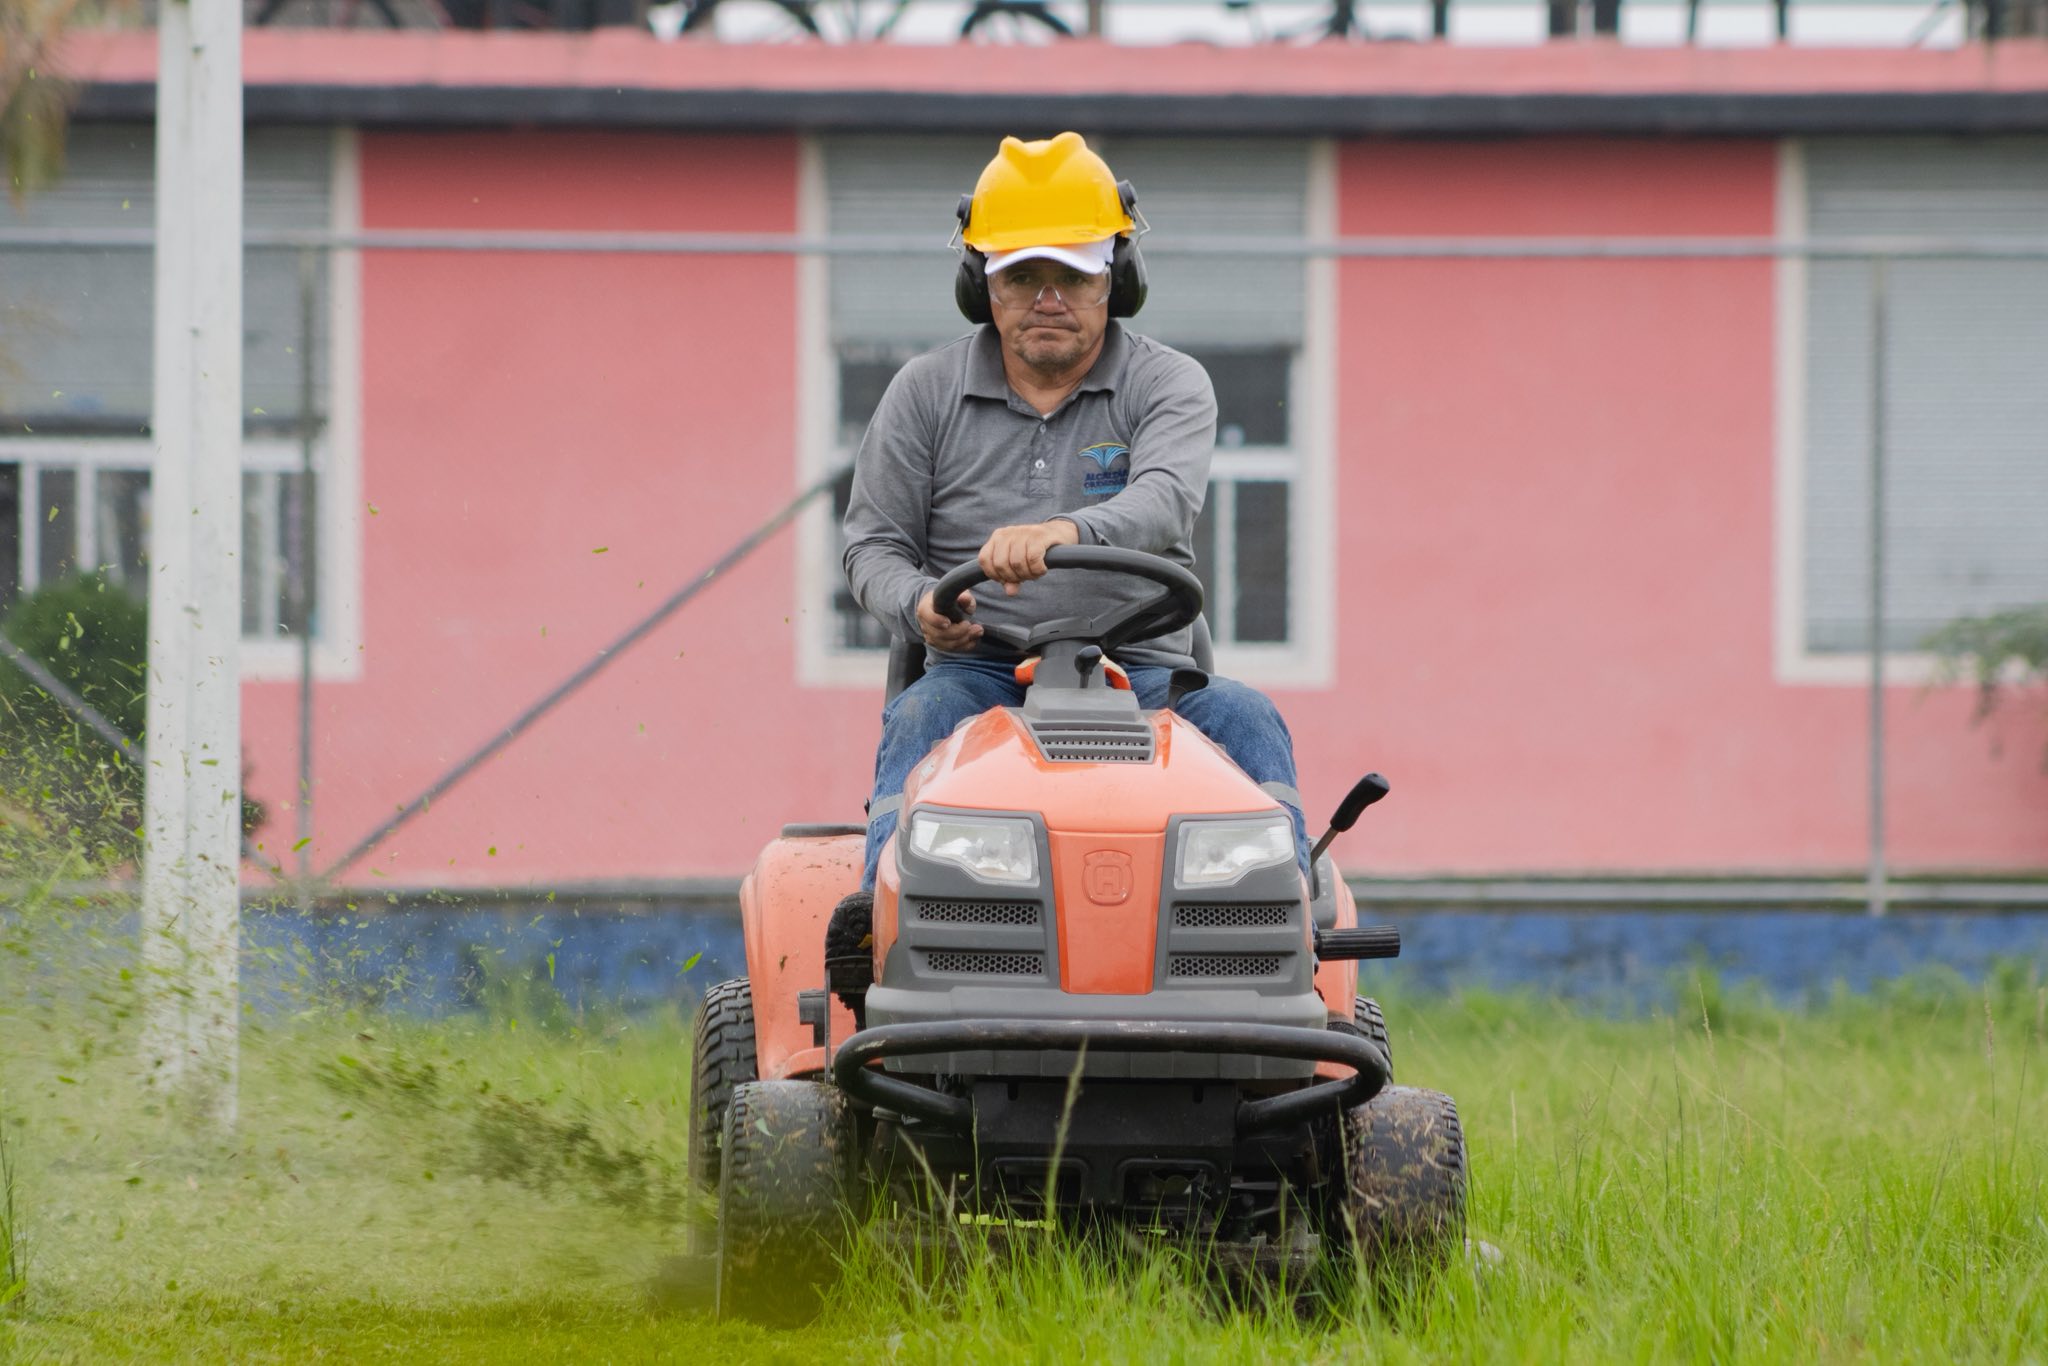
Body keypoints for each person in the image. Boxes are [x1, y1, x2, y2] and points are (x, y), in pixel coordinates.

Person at [837, 130, 1311, 912]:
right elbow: (873, 545)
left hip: (1145, 672)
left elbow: (1164, 498)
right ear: (982, 284)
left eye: (1073, 276)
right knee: (920, 714)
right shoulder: (922, 392)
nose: (1048, 299)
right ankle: (878, 918)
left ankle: (1287, 916)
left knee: (1246, 715)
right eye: (1023, 276)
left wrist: (1068, 533)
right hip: (977, 674)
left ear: (1116, 280)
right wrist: (919, 605)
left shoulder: (1169, 384)